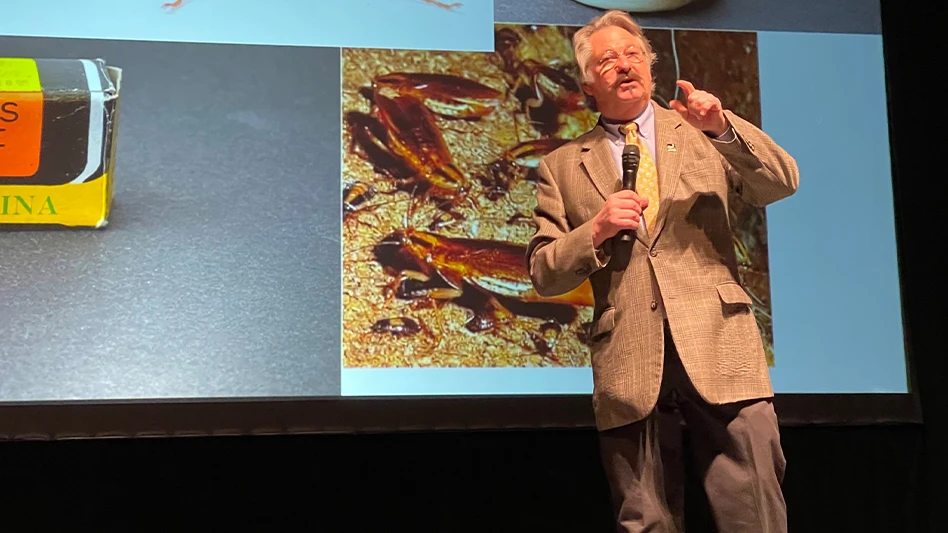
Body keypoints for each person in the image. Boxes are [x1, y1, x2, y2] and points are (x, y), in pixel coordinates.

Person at [526, 10, 799, 533]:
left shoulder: (702, 130)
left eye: (633, 55)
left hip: (722, 348)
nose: (624, 66)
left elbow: (781, 181)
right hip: (630, 363)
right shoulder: (562, 165)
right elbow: (543, 271)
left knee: (756, 515)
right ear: (587, 82)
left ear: (651, 67)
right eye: (608, 60)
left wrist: (721, 126)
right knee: (645, 520)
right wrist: (596, 231)